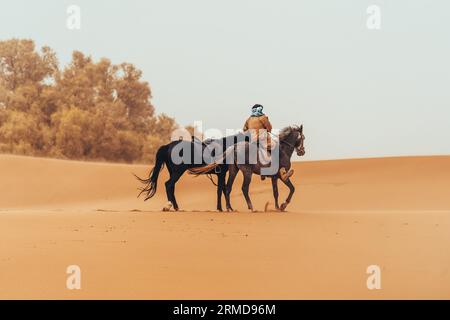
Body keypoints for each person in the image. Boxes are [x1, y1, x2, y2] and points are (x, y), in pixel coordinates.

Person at [243, 104, 293, 181]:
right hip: (263, 139)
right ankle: (282, 172)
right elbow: (269, 128)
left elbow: (244, 129)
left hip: (252, 141)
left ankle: (263, 174)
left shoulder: (248, 119)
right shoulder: (263, 117)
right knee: (277, 148)